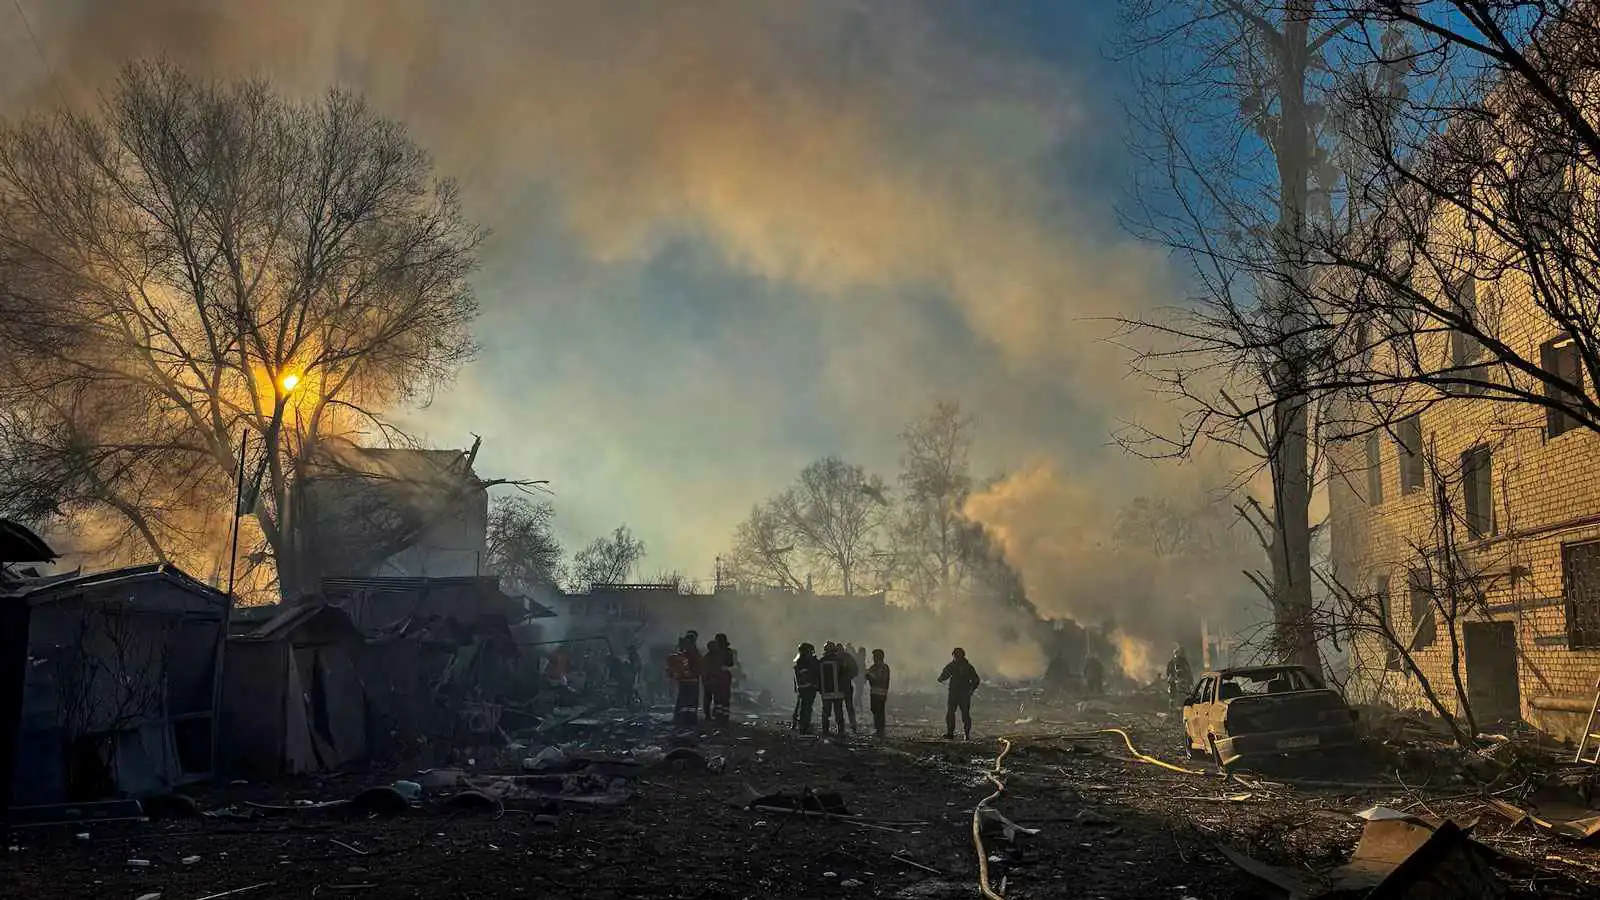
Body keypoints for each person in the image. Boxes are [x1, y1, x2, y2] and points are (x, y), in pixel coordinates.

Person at [938, 647, 981, 740]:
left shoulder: (964, 667)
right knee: (955, 714)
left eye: (956, 655)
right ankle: (958, 734)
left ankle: (960, 734)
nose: (955, 657)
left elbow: (976, 680)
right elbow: (943, 676)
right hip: (958, 694)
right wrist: (971, 689)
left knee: (960, 714)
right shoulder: (961, 666)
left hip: (960, 694)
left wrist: (971, 689)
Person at [666, 632, 702, 727]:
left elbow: (696, 667)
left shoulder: (690, 653)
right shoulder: (691, 652)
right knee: (687, 702)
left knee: (685, 702)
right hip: (689, 681)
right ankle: (686, 720)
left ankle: (684, 720)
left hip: (687, 681)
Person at [703, 633, 736, 724]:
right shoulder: (729, 651)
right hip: (725, 676)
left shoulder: (714, 653)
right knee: (725, 697)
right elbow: (731, 663)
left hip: (716, 676)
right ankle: (724, 715)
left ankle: (717, 715)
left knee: (717, 697)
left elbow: (708, 665)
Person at [818, 642, 848, 737]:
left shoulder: (821, 661)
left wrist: (819, 689)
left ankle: (825, 730)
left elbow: (818, 677)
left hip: (825, 692)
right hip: (838, 692)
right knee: (838, 711)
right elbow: (844, 676)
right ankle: (841, 731)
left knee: (826, 712)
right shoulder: (840, 661)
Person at [792, 642, 821, 734]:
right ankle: (804, 727)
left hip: (802, 688)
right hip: (808, 687)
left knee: (802, 707)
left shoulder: (799, 662)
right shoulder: (807, 662)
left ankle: (799, 724)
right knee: (806, 708)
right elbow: (812, 674)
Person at [865, 648, 891, 738]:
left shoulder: (881, 668)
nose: (873, 658)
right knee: (877, 711)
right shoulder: (879, 667)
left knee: (878, 711)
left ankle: (880, 729)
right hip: (879, 693)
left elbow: (880, 679)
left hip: (878, 693)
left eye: (875, 656)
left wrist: (870, 675)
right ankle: (879, 729)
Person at [838, 641, 860, 733]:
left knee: (842, 707)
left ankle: (843, 726)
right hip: (844, 686)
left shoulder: (839, 658)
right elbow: (855, 670)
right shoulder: (847, 657)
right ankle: (851, 725)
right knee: (847, 707)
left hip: (841, 686)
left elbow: (855, 670)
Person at [1165, 646, 1193, 712]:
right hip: (1179, 684)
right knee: (1179, 697)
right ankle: (1177, 711)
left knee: (1175, 698)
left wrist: (1190, 681)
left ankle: (1174, 711)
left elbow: (1188, 672)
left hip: (1177, 684)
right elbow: (1182, 673)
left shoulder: (1173, 662)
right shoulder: (1179, 662)